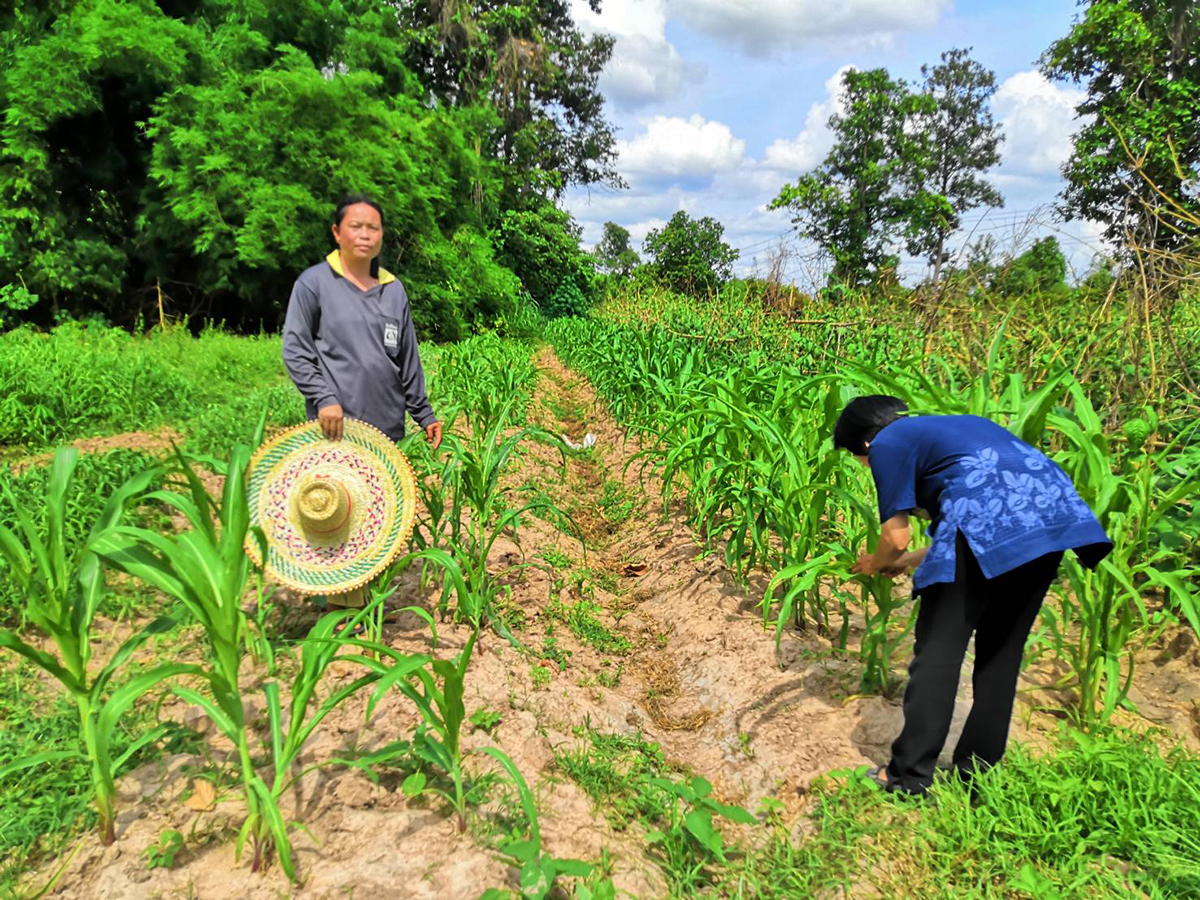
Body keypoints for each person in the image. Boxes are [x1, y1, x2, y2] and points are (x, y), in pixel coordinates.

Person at [834, 395, 1112, 796]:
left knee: (938, 657)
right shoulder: (958, 427)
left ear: (861, 444)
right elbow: (993, 510)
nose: (865, 466)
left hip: (990, 523)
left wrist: (876, 563)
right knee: (1000, 658)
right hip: (1051, 523)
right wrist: (912, 560)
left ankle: (907, 778)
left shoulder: (886, 444)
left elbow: (895, 537)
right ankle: (975, 778)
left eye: (858, 461)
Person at [281, 193, 443, 618]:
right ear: (337, 233)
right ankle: (337, 608)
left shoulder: (393, 291)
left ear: (382, 236)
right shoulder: (314, 283)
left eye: (373, 227)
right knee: (337, 512)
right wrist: (323, 397)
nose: (365, 234)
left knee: (377, 518)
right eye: (356, 226)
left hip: (386, 425)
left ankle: (367, 605)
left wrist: (423, 412)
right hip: (336, 426)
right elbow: (296, 349)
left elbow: (407, 357)